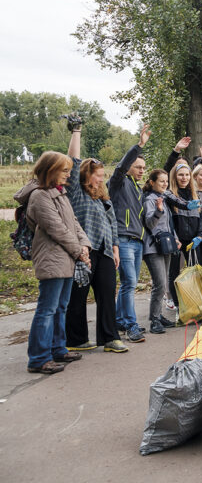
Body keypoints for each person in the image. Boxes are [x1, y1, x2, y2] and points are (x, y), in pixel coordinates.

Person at [15, 151, 92, 374]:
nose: (68, 175)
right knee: (47, 309)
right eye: (64, 171)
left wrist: (84, 245)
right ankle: (39, 358)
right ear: (50, 170)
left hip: (65, 257)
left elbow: (74, 223)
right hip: (52, 258)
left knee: (61, 307)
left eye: (69, 171)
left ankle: (58, 349)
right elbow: (56, 228)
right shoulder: (40, 196)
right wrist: (79, 251)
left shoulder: (59, 193)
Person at [63, 126, 126, 353]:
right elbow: (73, 160)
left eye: (102, 175)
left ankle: (110, 338)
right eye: (98, 175)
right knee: (78, 296)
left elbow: (113, 224)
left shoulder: (102, 197)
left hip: (106, 251)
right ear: (86, 174)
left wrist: (116, 248)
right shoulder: (76, 192)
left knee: (108, 293)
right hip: (83, 252)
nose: (101, 179)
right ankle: (76, 339)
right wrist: (77, 132)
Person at [108, 124, 151, 343]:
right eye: (137, 167)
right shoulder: (118, 182)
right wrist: (139, 145)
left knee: (129, 283)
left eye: (144, 167)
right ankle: (131, 325)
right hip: (123, 239)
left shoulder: (137, 189)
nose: (142, 170)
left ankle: (119, 320)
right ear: (129, 168)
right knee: (129, 283)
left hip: (137, 241)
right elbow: (120, 167)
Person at [142, 169, 197, 334]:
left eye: (166, 181)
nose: (165, 184)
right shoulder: (149, 200)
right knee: (159, 284)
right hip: (153, 247)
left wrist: (175, 238)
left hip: (166, 244)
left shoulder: (164, 198)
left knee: (164, 282)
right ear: (152, 182)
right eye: (161, 182)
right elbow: (150, 224)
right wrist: (158, 210)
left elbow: (168, 224)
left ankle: (158, 315)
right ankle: (154, 320)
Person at [167, 162, 202, 311]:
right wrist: (175, 237)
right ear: (175, 177)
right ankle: (178, 305)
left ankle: (195, 302)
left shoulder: (195, 195)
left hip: (193, 240)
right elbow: (169, 221)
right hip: (177, 240)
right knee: (174, 273)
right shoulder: (171, 196)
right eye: (180, 175)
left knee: (195, 272)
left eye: (186, 175)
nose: (184, 178)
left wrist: (200, 236)